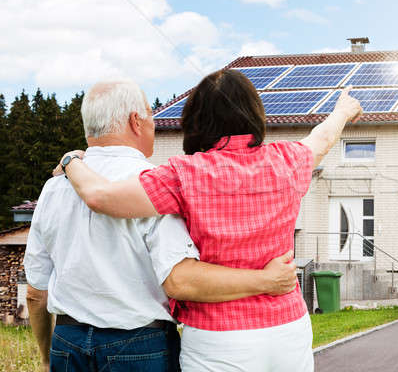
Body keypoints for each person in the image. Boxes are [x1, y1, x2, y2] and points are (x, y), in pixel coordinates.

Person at [58, 70, 363, 371]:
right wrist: (343, 111)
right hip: (287, 328)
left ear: (196, 119)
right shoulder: (288, 160)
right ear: (254, 113)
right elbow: (322, 137)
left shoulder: (184, 174)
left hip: (218, 336)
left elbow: (100, 197)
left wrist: (71, 161)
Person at [25, 80, 298, 372]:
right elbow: (180, 281)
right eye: (151, 115)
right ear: (135, 121)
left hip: (67, 342)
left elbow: (35, 292)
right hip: (139, 344)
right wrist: (267, 281)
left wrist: (45, 356)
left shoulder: (54, 189)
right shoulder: (153, 186)